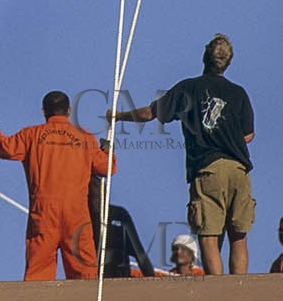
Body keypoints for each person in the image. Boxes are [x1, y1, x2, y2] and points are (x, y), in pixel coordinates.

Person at [106, 34, 255, 275]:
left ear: (205, 57)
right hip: (239, 168)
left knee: (208, 234)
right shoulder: (238, 93)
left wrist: (119, 115)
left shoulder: (189, 88)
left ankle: (218, 294)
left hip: (209, 167)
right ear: (228, 63)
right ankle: (240, 289)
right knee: (238, 235)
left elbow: (149, 113)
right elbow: (248, 135)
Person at [0, 90, 114, 280]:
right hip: (76, 213)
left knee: (38, 274)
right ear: (68, 111)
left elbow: (3, 147)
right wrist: (106, 150)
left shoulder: (31, 135)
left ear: (44, 111)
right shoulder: (86, 138)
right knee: (85, 274)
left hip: (44, 212)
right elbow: (106, 168)